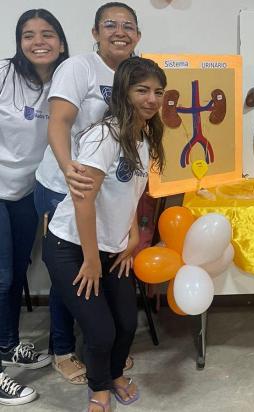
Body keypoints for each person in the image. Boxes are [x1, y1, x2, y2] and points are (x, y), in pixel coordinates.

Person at [43, 56, 166, 412]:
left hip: (111, 248)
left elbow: (130, 192)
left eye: (158, 92)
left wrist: (130, 236)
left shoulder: (143, 136)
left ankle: (113, 373)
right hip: (71, 246)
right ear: (123, 92)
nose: (151, 99)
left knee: (127, 323)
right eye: (142, 90)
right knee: (100, 331)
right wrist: (93, 260)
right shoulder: (104, 135)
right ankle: (98, 389)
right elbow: (84, 200)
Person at [34, 1, 141, 385]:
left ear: (138, 36)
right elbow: (60, 123)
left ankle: (100, 349)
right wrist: (69, 170)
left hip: (108, 191)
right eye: (110, 24)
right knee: (71, 273)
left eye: (128, 25)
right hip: (64, 185)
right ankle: (62, 351)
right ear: (95, 33)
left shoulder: (135, 71)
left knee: (97, 271)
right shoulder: (78, 67)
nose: (119, 31)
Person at [0, 9, 68, 406]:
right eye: (29, 35)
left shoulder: (65, 79)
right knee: (2, 276)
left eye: (47, 34)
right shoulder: (5, 74)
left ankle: (7, 344)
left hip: (28, 191)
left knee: (14, 275)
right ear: (19, 42)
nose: (38, 41)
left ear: (60, 41)